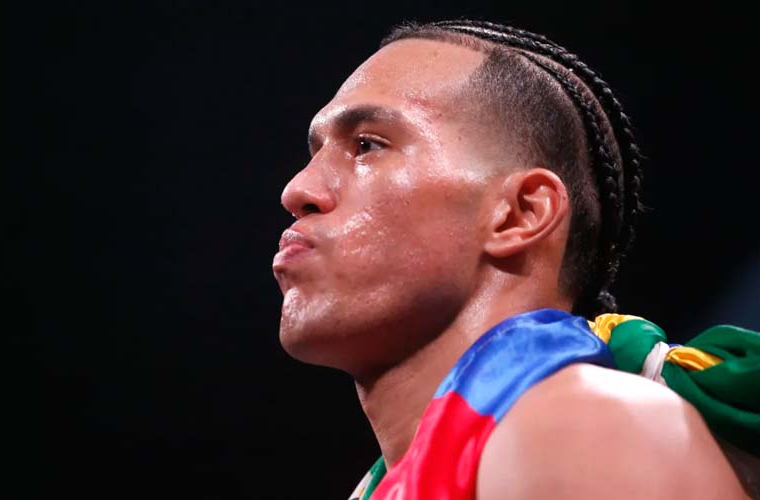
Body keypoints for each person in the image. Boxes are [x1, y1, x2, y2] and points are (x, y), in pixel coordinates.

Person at [271, 19, 758, 500]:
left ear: (520, 214)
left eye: (366, 145)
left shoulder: (581, 426)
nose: (298, 190)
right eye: (314, 153)